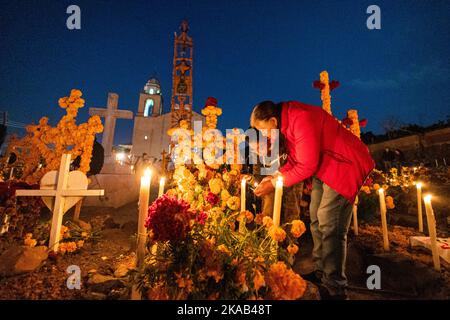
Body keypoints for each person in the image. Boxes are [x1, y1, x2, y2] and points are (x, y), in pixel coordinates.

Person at [251, 100, 374, 300]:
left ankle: (335, 288)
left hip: (344, 164)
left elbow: (306, 166)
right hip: (325, 168)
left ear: (273, 121)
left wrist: (274, 184)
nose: (264, 136)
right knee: (316, 219)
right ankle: (320, 272)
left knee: (329, 223)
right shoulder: (286, 124)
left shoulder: (299, 118)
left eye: (264, 131)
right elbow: (294, 160)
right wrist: (274, 177)